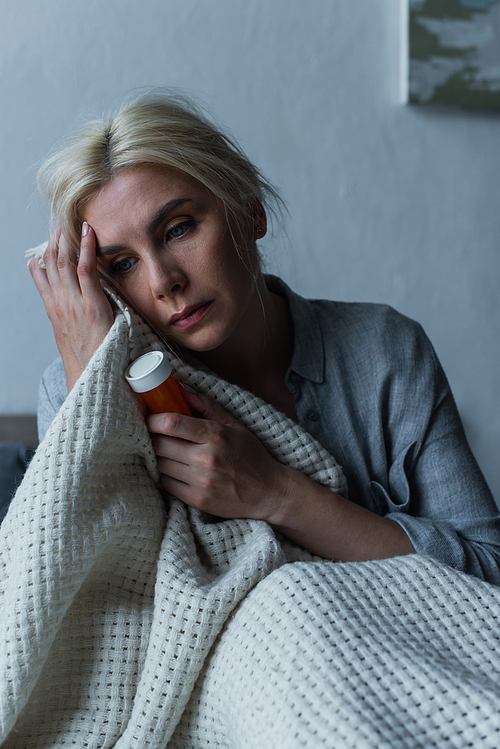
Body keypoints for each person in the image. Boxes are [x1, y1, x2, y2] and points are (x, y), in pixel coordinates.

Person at [30, 90, 500, 582]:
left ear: (251, 210)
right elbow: (93, 600)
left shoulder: (385, 351)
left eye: (178, 229)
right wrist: (89, 376)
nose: (162, 281)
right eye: (123, 264)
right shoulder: (71, 388)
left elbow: (487, 569)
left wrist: (277, 491)